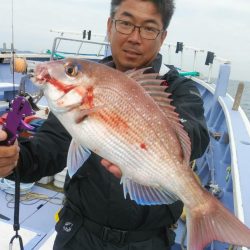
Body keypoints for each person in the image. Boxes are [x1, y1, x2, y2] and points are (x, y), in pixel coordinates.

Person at [0, 0, 209, 249]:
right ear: (110, 26)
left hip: (148, 240)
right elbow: (49, 148)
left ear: (162, 37)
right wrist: (14, 159)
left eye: (149, 28)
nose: (134, 37)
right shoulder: (80, 93)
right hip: (78, 233)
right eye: (126, 23)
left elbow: (194, 133)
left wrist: (147, 142)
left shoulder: (177, 88)